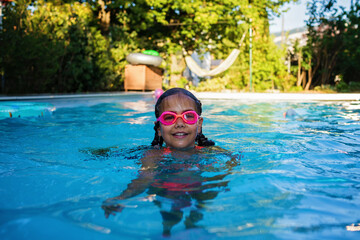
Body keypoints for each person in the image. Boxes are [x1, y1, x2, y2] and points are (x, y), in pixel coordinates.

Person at [101, 88, 240, 237]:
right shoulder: (153, 155)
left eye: (188, 116)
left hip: (198, 190)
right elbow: (145, 178)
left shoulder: (210, 152)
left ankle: (191, 224)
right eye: (169, 117)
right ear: (159, 128)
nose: (179, 123)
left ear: (199, 124)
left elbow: (233, 161)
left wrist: (221, 178)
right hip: (165, 191)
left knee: (198, 208)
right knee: (168, 216)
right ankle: (166, 231)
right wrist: (123, 197)